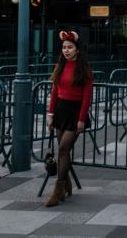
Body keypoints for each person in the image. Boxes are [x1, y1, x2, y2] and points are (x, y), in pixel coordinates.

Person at [45, 30, 93, 207]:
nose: (66, 50)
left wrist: (81, 119)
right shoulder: (60, 66)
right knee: (62, 150)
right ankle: (67, 183)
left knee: (64, 149)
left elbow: (87, 97)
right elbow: (54, 92)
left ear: (77, 50)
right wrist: (50, 115)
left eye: (70, 47)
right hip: (60, 111)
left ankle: (58, 190)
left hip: (75, 113)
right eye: (64, 47)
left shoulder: (85, 70)